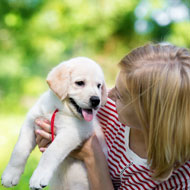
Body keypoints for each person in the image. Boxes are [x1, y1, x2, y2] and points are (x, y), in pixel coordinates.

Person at [35, 44, 190, 189]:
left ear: (150, 114)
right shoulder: (105, 109)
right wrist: (49, 137)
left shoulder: (182, 176)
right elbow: (54, 122)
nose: (109, 95)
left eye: (121, 95)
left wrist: (91, 154)